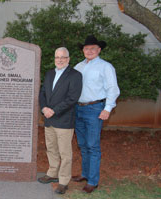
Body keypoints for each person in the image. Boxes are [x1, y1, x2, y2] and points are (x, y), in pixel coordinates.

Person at [73, 35, 120, 193]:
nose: (90, 51)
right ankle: (85, 174)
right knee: (83, 145)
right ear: (83, 51)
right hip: (78, 109)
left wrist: (107, 108)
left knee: (92, 146)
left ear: (99, 50)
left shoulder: (106, 67)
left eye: (93, 48)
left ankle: (93, 181)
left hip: (95, 110)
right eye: (87, 48)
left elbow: (113, 89)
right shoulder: (78, 66)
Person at [38, 47, 82, 194]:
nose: (60, 60)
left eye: (63, 57)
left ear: (68, 59)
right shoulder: (50, 73)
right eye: (57, 57)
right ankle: (52, 173)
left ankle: (63, 181)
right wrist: (44, 108)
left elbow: (72, 98)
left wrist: (54, 110)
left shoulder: (75, 75)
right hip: (49, 120)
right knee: (51, 149)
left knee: (65, 153)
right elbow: (42, 92)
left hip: (63, 120)